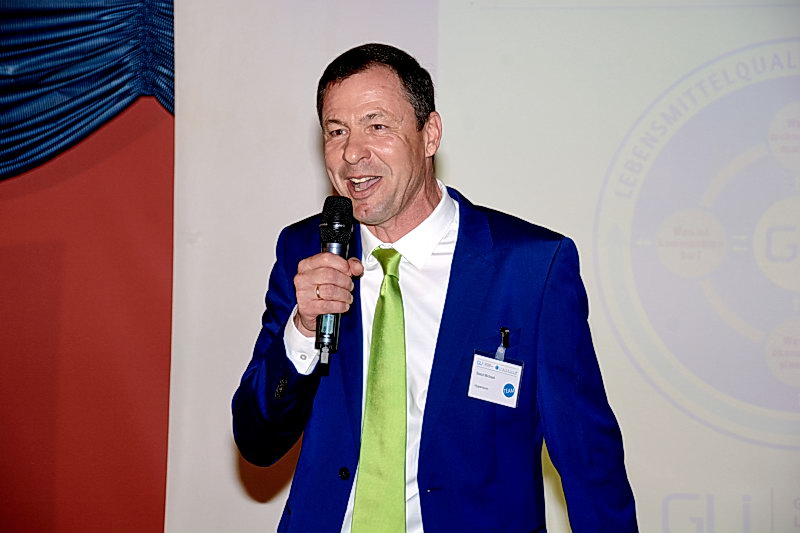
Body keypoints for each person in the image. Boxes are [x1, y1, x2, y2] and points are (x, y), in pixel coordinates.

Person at [233, 43, 638, 533]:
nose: (352, 153)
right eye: (336, 131)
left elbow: (589, 461)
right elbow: (256, 441)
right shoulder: (306, 252)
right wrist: (301, 329)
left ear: (430, 135)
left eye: (377, 126)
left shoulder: (529, 267)